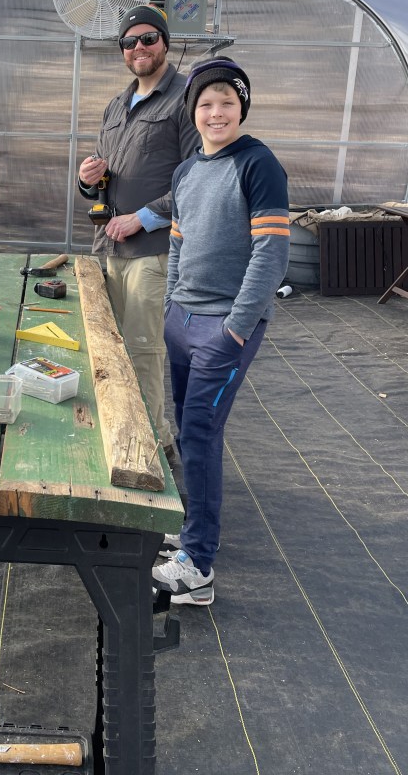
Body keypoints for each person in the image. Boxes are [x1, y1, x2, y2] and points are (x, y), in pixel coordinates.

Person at [151, 58, 290, 606]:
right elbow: (178, 243)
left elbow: (271, 253)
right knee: (189, 432)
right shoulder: (187, 171)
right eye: (205, 104)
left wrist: (236, 328)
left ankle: (198, 568)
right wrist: (170, 306)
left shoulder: (258, 164)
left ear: (242, 108)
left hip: (224, 327)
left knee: (201, 433)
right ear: (193, 112)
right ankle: (191, 531)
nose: (215, 113)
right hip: (182, 321)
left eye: (226, 102)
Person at [77, 4, 201, 463]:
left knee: (143, 352)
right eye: (129, 42)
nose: (139, 48)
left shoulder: (186, 99)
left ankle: (152, 449)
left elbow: (198, 178)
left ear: (165, 42)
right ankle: (127, 433)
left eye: (149, 38)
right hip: (111, 246)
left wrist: (144, 217)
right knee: (111, 349)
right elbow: (104, 176)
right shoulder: (116, 105)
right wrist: (88, 179)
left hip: (152, 250)